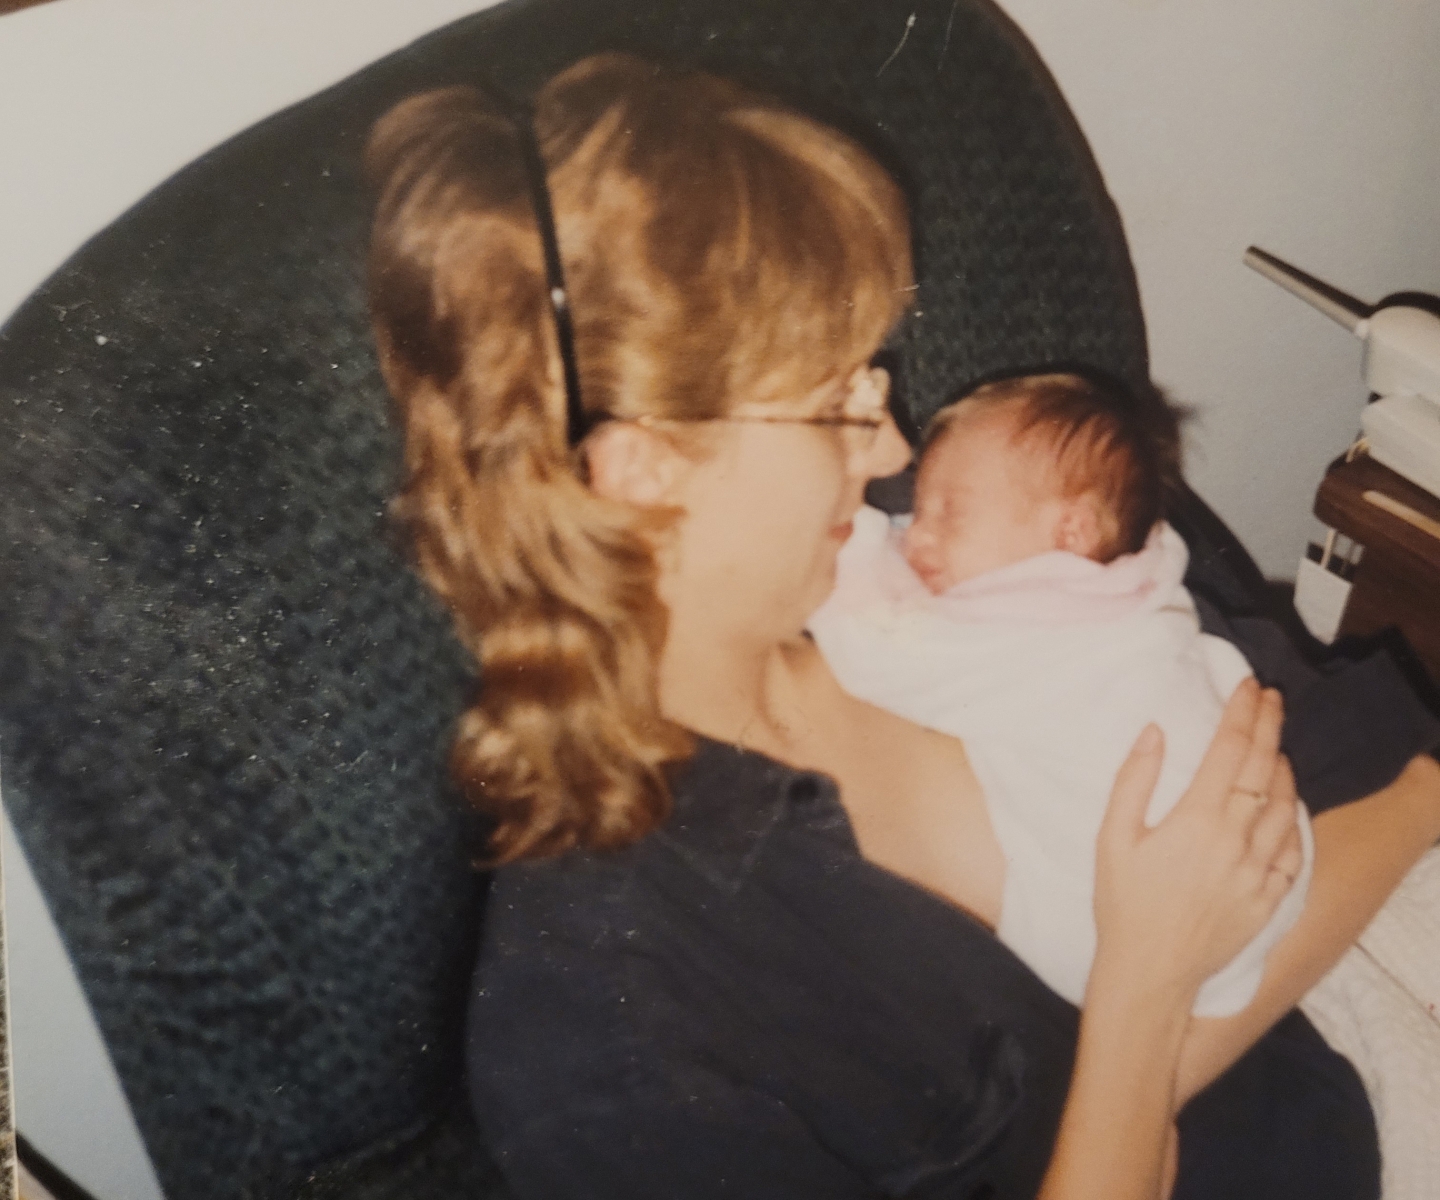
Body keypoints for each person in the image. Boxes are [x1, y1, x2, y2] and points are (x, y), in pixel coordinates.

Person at [364, 52, 1440, 1199]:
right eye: (837, 403)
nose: (890, 450)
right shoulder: (617, 1023)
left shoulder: (927, 546)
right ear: (643, 473)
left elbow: (1339, 742)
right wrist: (1147, 988)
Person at [809, 372, 1313, 1019]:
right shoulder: (1136, 577)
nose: (916, 534)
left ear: (1071, 533)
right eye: (919, 508)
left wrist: (857, 545)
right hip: (1273, 872)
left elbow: (878, 650)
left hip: (1113, 932)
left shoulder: (1027, 634)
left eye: (948, 511)